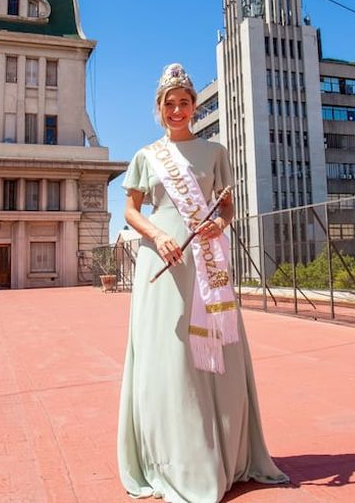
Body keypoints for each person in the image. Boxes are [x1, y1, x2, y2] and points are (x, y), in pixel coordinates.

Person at [117, 64, 289, 502]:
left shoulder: (215, 152)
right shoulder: (145, 156)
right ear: (159, 109)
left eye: (185, 102)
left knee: (216, 353)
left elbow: (225, 208)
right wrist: (157, 235)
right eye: (169, 104)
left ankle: (226, 455)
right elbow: (132, 212)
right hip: (164, 259)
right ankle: (171, 457)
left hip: (205, 262)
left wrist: (218, 226)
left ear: (195, 106)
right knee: (168, 356)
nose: (178, 110)